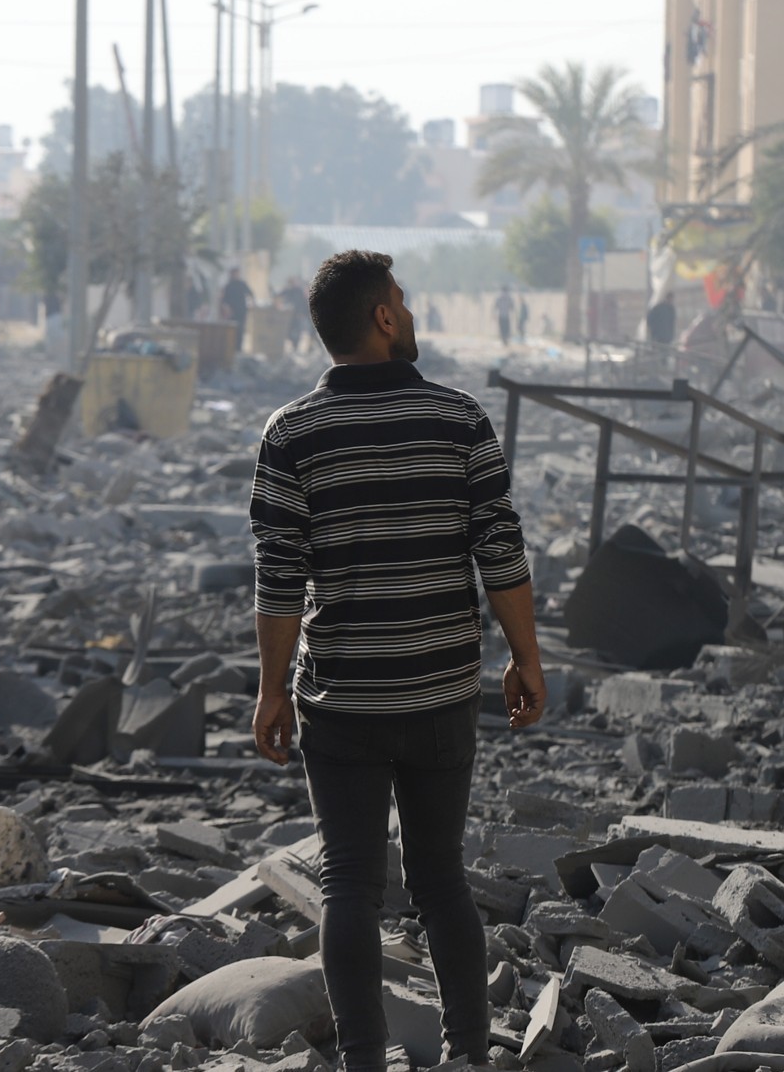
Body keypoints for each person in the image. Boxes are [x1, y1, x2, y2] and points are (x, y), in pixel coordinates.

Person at [249, 251, 544, 1072]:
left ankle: (363, 1062)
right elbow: (501, 552)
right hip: (441, 689)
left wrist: (270, 691)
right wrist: (525, 659)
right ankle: (466, 1055)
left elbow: (278, 577)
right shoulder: (459, 420)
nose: (409, 314)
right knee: (440, 879)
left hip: (342, 696)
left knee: (348, 882)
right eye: (402, 302)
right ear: (382, 318)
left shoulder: (291, 434)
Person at [220, 266, 254, 351]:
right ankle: (231, 347)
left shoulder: (242, 284)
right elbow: (224, 299)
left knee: (240, 329)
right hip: (231, 311)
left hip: (241, 310)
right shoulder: (228, 286)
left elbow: (250, 294)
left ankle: (239, 348)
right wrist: (226, 308)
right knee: (231, 330)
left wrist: (251, 305)